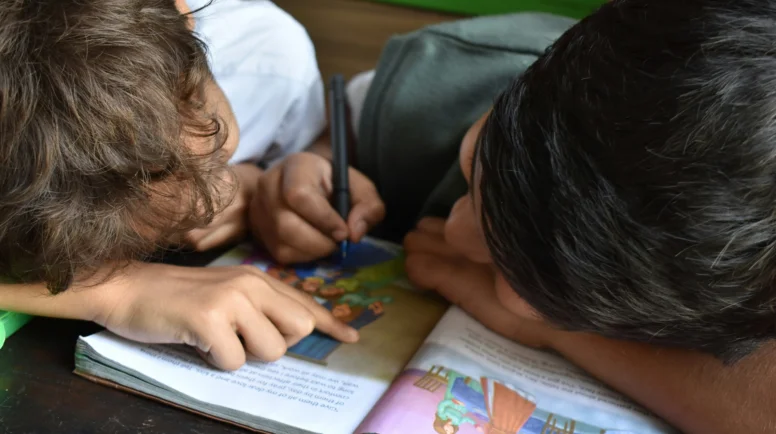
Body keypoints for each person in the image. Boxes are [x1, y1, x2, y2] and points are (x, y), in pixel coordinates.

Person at [249, 0, 776, 431]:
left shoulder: (746, 263)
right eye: (473, 164)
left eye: (517, 280)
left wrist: (560, 335)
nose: (455, 232)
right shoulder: (443, 77)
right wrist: (312, 160)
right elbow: (341, 123)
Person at [0, 0, 359, 372]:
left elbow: (324, 138)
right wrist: (115, 291)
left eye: (218, 158)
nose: (213, 205)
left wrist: (284, 171)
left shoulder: (271, 63)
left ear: (183, 16)